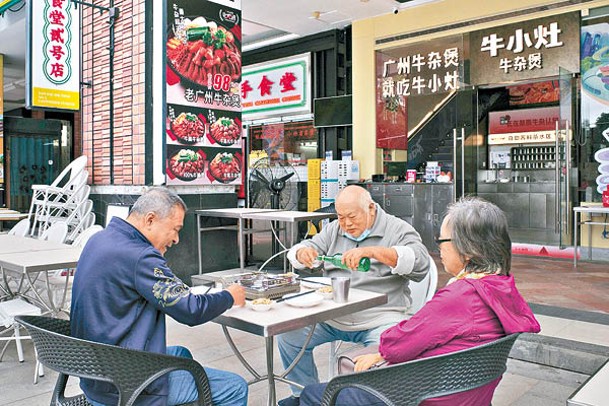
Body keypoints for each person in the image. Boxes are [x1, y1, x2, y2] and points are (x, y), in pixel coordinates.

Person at [299, 196, 541, 406]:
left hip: (423, 395)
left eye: (442, 242)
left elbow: (398, 342)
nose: (440, 250)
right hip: (462, 393)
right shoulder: (501, 286)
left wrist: (382, 353)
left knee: (311, 394)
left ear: (468, 251)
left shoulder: (460, 296)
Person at [70, 187, 248, 406]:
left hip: (95, 373)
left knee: (181, 353)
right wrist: (230, 296)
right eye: (175, 229)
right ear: (150, 220)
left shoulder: (100, 239)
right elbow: (190, 310)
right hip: (126, 385)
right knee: (235, 387)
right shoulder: (139, 254)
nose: (176, 239)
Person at [278, 185, 430, 406]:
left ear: (370, 208)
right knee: (289, 334)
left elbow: (420, 262)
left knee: (387, 355)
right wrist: (303, 252)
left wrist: (374, 252)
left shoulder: (396, 229)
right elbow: (307, 247)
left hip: (380, 317)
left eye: (352, 216)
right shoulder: (334, 230)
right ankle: (304, 395)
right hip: (333, 315)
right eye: (340, 217)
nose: (346, 224)